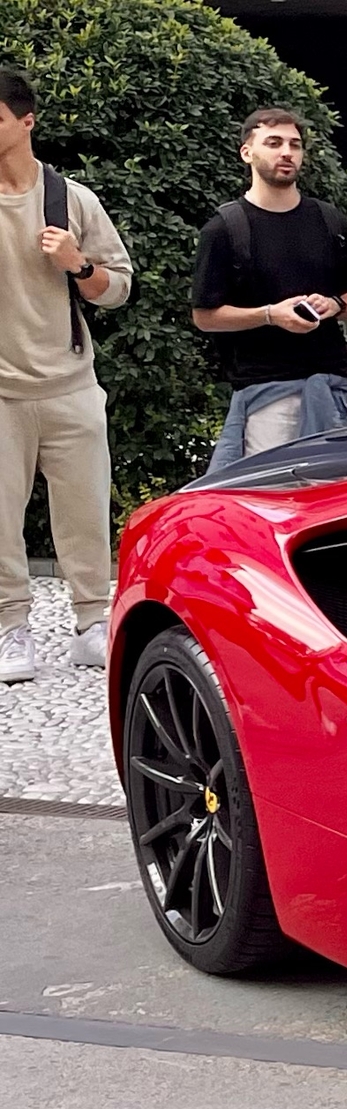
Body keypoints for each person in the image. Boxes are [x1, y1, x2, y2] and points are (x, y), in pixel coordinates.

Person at [0, 67, 130, 683]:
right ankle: (10, 628)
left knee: (84, 512)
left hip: (71, 385)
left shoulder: (72, 200)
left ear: (27, 122)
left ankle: (92, 623)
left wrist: (78, 264)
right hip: (0, 393)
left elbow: (117, 288)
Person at [192, 109, 347, 472]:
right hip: (267, 396)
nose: (287, 153)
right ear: (247, 152)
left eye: (295, 145)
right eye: (274, 143)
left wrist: (334, 305)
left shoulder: (329, 220)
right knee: (280, 498)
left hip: (337, 386)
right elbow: (205, 317)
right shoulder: (224, 229)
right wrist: (269, 314)